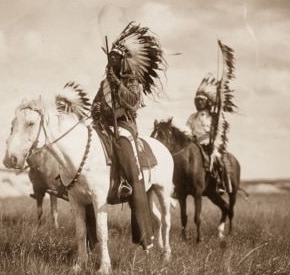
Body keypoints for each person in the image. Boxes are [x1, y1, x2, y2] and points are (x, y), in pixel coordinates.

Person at [91, 21, 167, 250]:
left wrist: (119, 85)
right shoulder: (104, 82)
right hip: (104, 127)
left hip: (124, 127)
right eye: (110, 58)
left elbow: (133, 103)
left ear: (123, 60)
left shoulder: (131, 80)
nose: (112, 61)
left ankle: (129, 186)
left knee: (126, 155)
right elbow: (95, 104)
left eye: (116, 58)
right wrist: (95, 113)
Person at [183, 73, 227, 194]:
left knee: (217, 160)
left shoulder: (214, 117)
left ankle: (220, 183)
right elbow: (186, 129)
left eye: (202, 100)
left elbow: (219, 133)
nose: (200, 102)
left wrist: (214, 144)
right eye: (198, 100)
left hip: (209, 146)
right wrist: (190, 136)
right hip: (194, 145)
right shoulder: (193, 117)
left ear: (207, 102)